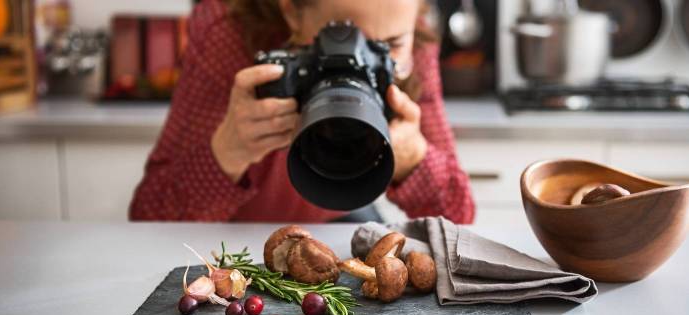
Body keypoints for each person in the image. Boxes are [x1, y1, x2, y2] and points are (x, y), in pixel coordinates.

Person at [129, 0, 475, 224]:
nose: (358, 62)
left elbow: (459, 217)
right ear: (291, 11)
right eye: (341, 38)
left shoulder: (415, 44)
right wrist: (228, 151)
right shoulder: (227, 28)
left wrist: (415, 159)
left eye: (389, 46)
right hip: (230, 232)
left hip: (338, 217)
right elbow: (150, 216)